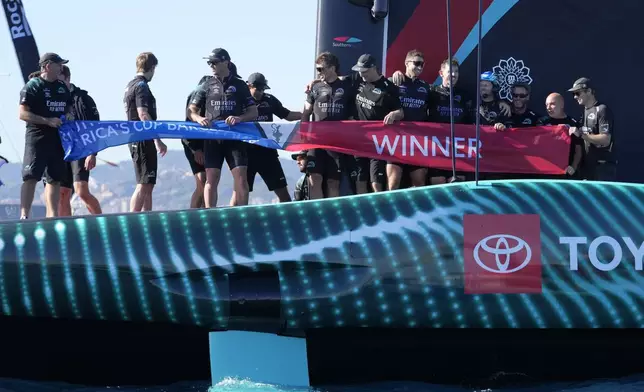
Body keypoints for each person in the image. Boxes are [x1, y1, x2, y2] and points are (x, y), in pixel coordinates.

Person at [188, 48, 258, 208]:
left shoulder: (239, 85)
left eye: (214, 62)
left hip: (235, 136)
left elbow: (253, 111)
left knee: (241, 177)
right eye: (209, 62)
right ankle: (210, 214)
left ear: (226, 62)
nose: (211, 65)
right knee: (211, 177)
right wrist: (199, 118)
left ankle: (243, 214)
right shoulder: (206, 84)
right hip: (213, 137)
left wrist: (239, 118)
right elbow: (191, 110)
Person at [18, 52, 74, 219]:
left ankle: (53, 216)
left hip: (57, 139)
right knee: (31, 176)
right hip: (37, 138)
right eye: (59, 65)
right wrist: (47, 120)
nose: (61, 68)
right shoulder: (33, 86)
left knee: (55, 179)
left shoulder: (62, 87)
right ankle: (24, 216)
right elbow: (22, 114)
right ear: (48, 66)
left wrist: (69, 116)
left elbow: (68, 109)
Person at [233, 72, 302, 205]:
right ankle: (232, 222)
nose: (260, 92)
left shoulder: (269, 100)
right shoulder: (239, 100)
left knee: (283, 193)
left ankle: (287, 221)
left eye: (263, 89)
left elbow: (287, 115)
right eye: (257, 88)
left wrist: (307, 114)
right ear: (249, 86)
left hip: (267, 152)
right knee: (239, 193)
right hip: (245, 154)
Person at [43, 64, 103, 216]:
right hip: (61, 150)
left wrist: (92, 153)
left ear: (68, 78)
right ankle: (68, 229)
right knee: (63, 193)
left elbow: (95, 127)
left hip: (81, 149)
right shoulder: (53, 98)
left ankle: (101, 221)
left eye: (60, 80)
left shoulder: (83, 98)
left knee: (81, 190)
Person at [301, 51, 356, 199]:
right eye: (317, 69)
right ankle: (316, 214)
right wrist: (303, 137)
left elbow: (352, 117)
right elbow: (306, 113)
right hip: (315, 141)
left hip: (336, 142)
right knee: (314, 180)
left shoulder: (347, 86)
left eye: (321, 69)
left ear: (332, 68)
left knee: (333, 182)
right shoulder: (315, 88)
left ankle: (331, 216)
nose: (318, 72)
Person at [351, 53, 404, 193]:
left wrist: (394, 114)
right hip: (358, 138)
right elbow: (337, 80)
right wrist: (314, 83)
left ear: (374, 68)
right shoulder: (357, 78)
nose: (361, 75)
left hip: (378, 140)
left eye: (365, 71)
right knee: (360, 179)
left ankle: (381, 209)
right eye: (359, 71)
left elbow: (401, 112)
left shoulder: (389, 88)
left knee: (376, 181)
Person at [123, 52, 167, 212]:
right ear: (152, 67)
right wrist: (157, 140)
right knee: (143, 183)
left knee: (148, 183)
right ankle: (133, 219)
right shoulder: (141, 86)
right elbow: (143, 114)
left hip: (136, 137)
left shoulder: (130, 84)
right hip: (142, 137)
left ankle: (147, 218)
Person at [385, 49, 431, 190]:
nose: (419, 67)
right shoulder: (393, 81)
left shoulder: (425, 87)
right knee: (393, 183)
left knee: (419, 183)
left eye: (422, 65)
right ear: (406, 63)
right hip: (396, 138)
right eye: (416, 63)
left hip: (416, 139)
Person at [567, 77, 616, 181]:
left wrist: (581, 134)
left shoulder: (602, 109)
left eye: (578, 93)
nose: (575, 97)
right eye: (574, 94)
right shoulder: (583, 113)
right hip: (587, 168)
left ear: (589, 91)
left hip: (602, 167)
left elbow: (606, 139)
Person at [537, 93, 584, 179]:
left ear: (561, 105)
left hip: (566, 172)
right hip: (546, 172)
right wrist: (556, 131)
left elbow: (578, 149)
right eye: (547, 104)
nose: (548, 107)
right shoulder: (542, 122)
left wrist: (573, 167)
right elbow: (536, 145)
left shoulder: (572, 123)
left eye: (552, 104)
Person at [182, 75, 211, 209]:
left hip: (206, 143)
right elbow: (188, 124)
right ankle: (193, 215)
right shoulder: (198, 95)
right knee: (202, 181)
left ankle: (204, 211)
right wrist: (195, 149)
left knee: (208, 182)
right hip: (193, 143)